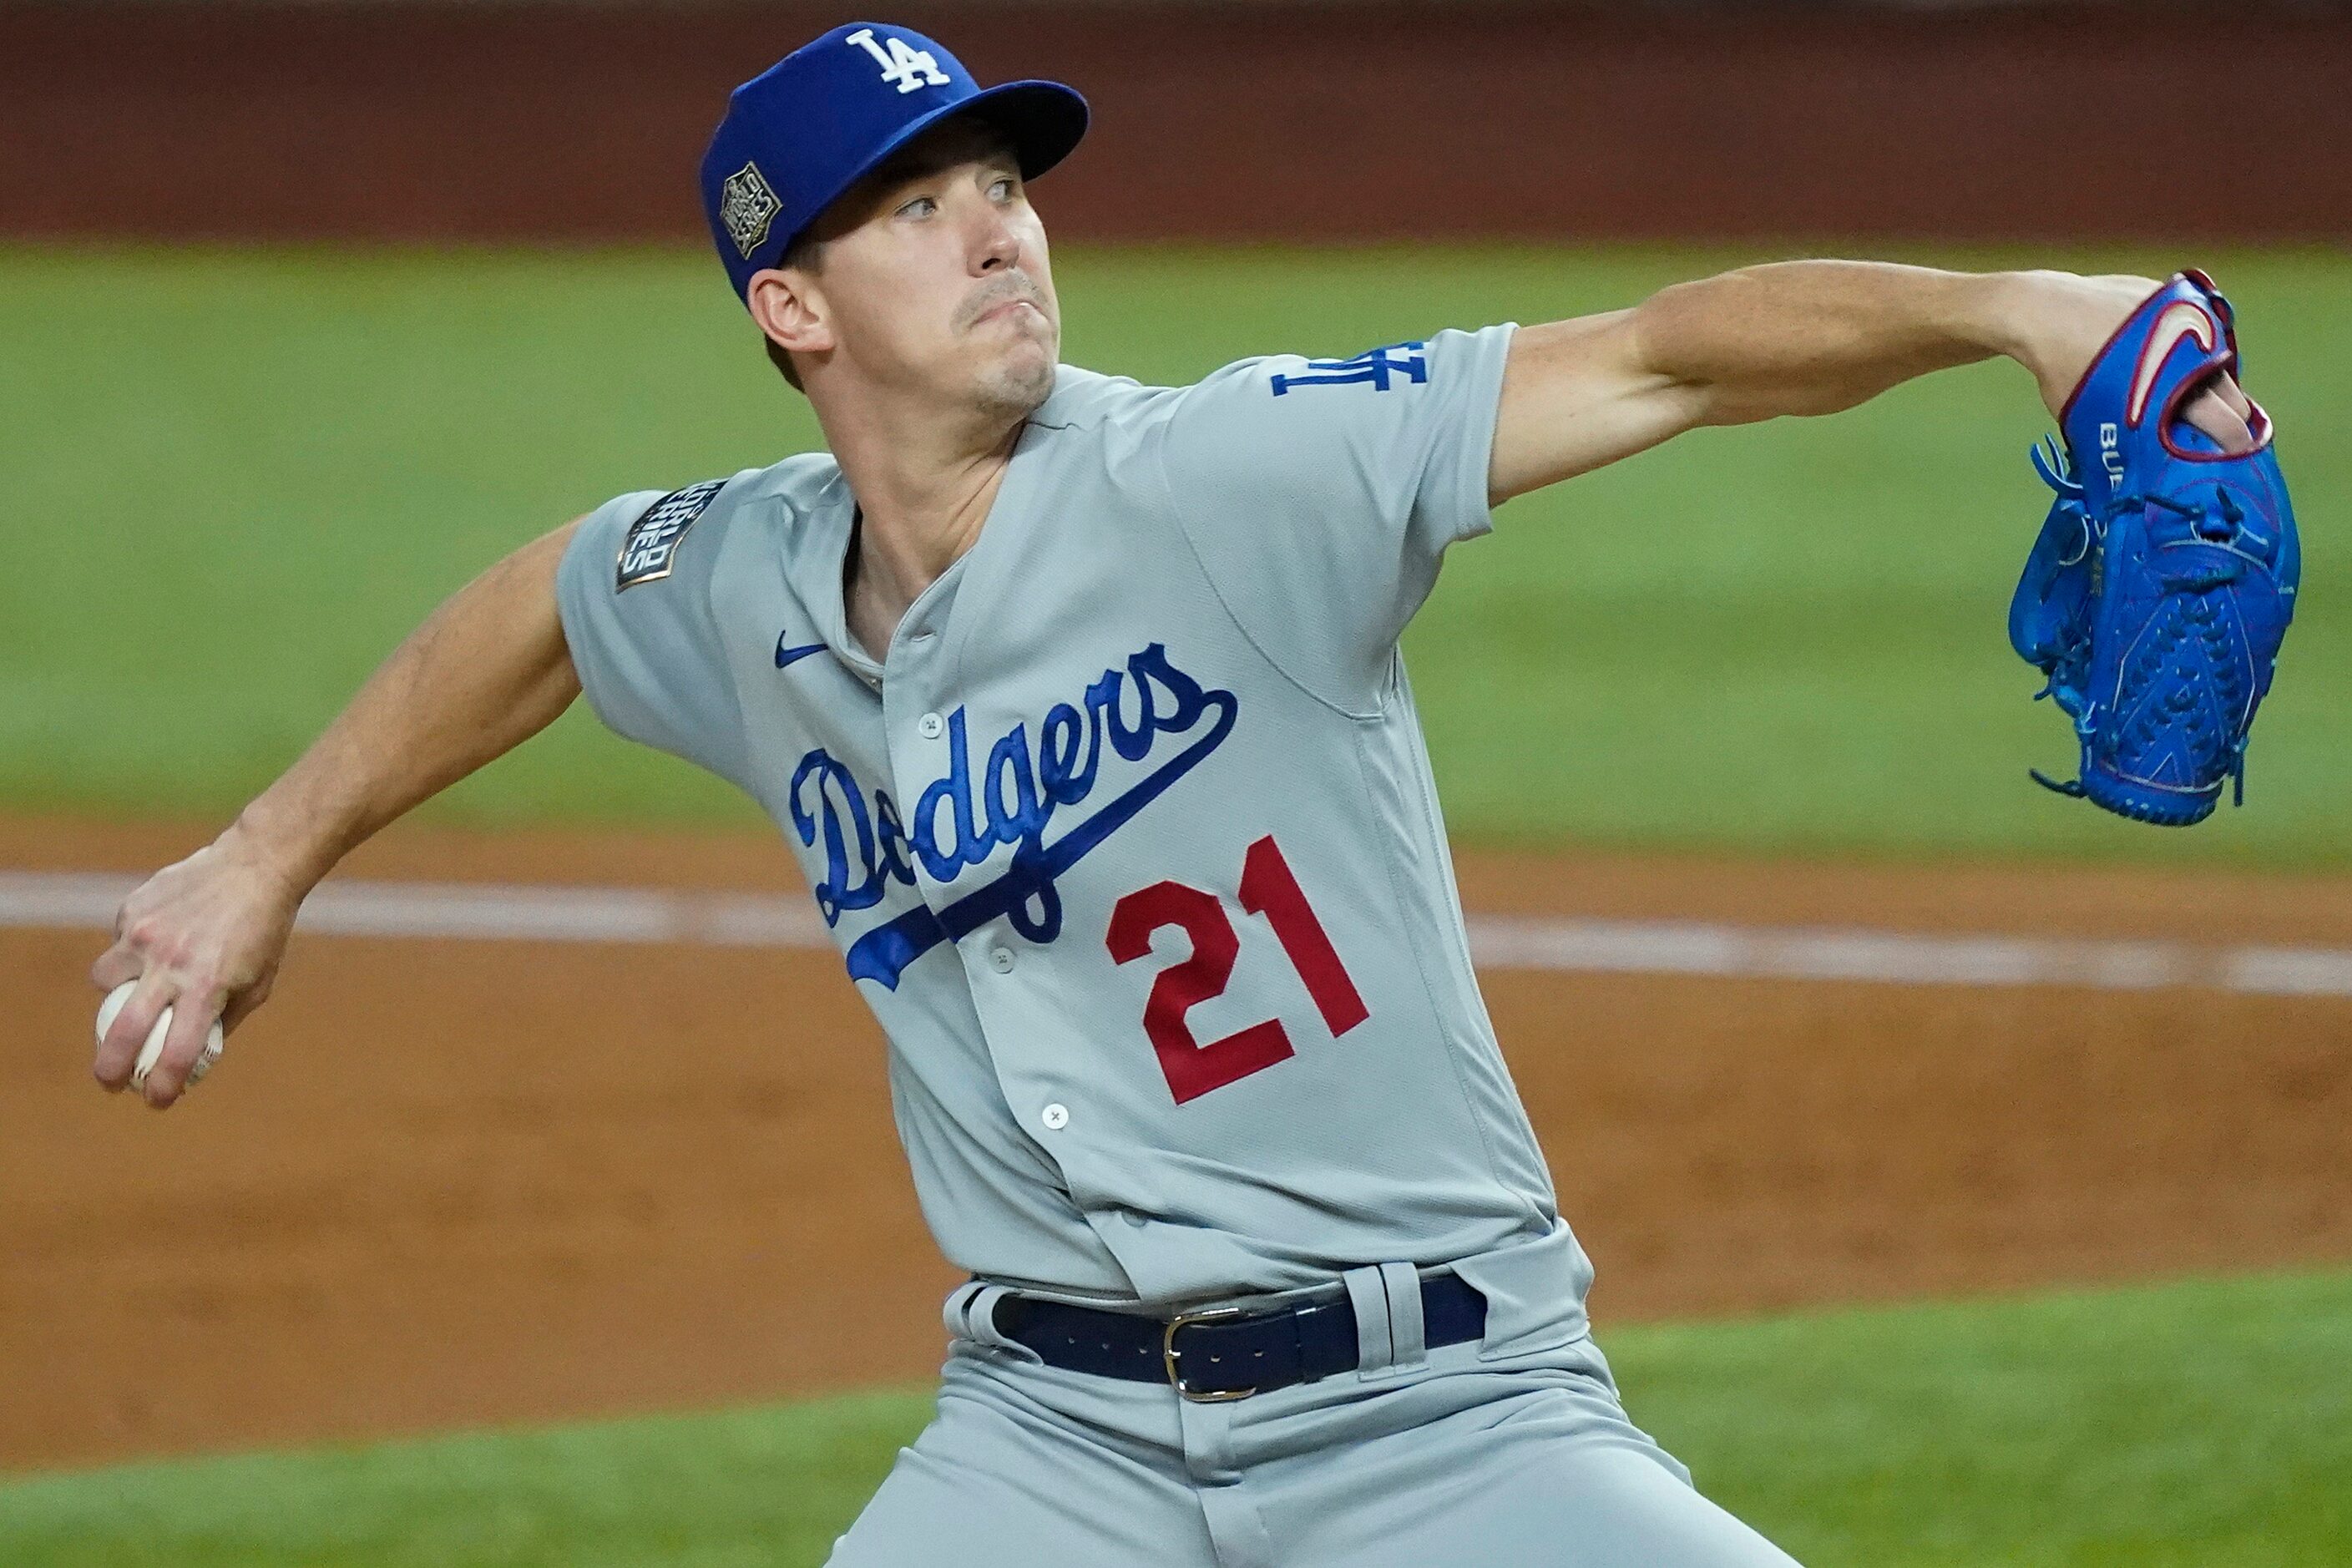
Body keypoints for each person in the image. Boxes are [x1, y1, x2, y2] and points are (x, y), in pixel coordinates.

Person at [90, 23, 2260, 1566]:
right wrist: (259, 859)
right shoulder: (746, 577)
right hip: (1045, 1449)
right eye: (914, 208)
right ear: (789, 305)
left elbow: (1668, 353)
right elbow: (556, 598)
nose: (997, 233)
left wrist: (2016, 312)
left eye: (1003, 187)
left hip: (1445, 1426)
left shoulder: (1231, 474)